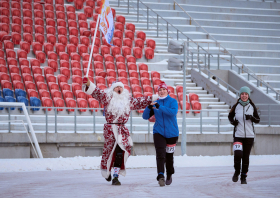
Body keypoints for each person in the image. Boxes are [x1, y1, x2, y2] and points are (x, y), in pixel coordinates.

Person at [83, 78, 157, 185]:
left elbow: (141, 101)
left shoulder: (128, 100)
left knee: (120, 152)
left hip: (122, 130)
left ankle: (115, 176)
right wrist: (88, 83)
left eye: (120, 87)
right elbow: (97, 92)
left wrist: (156, 98)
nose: (119, 88)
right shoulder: (107, 98)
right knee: (109, 152)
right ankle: (107, 172)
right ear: (113, 89)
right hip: (110, 129)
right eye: (117, 87)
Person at [142, 82, 179, 187]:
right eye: (160, 90)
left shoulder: (173, 101)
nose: (162, 92)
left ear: (167, 91)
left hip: (172, 133)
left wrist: (160, 107)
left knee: (169, 157)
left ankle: (169, 174)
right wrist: (149, 107)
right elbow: (145, 117)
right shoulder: (155, 103)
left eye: (163, 89)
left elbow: (173, 112)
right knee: (160, 154)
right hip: (158, 132)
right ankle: (161, 175)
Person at [228, 86, 260, 184]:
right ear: (240, 95)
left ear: (248, 95)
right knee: (238, 154)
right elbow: (230, 116)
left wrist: (251, 118)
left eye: (246, 94)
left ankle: (243, 176)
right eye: (242, 94)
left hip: (249, 136)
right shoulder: (236, 106)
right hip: (238, 135)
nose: (244, 96)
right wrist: (233, 122)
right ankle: (237, 171)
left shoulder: (252, 106)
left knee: (245, 157)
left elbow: (258, 120)